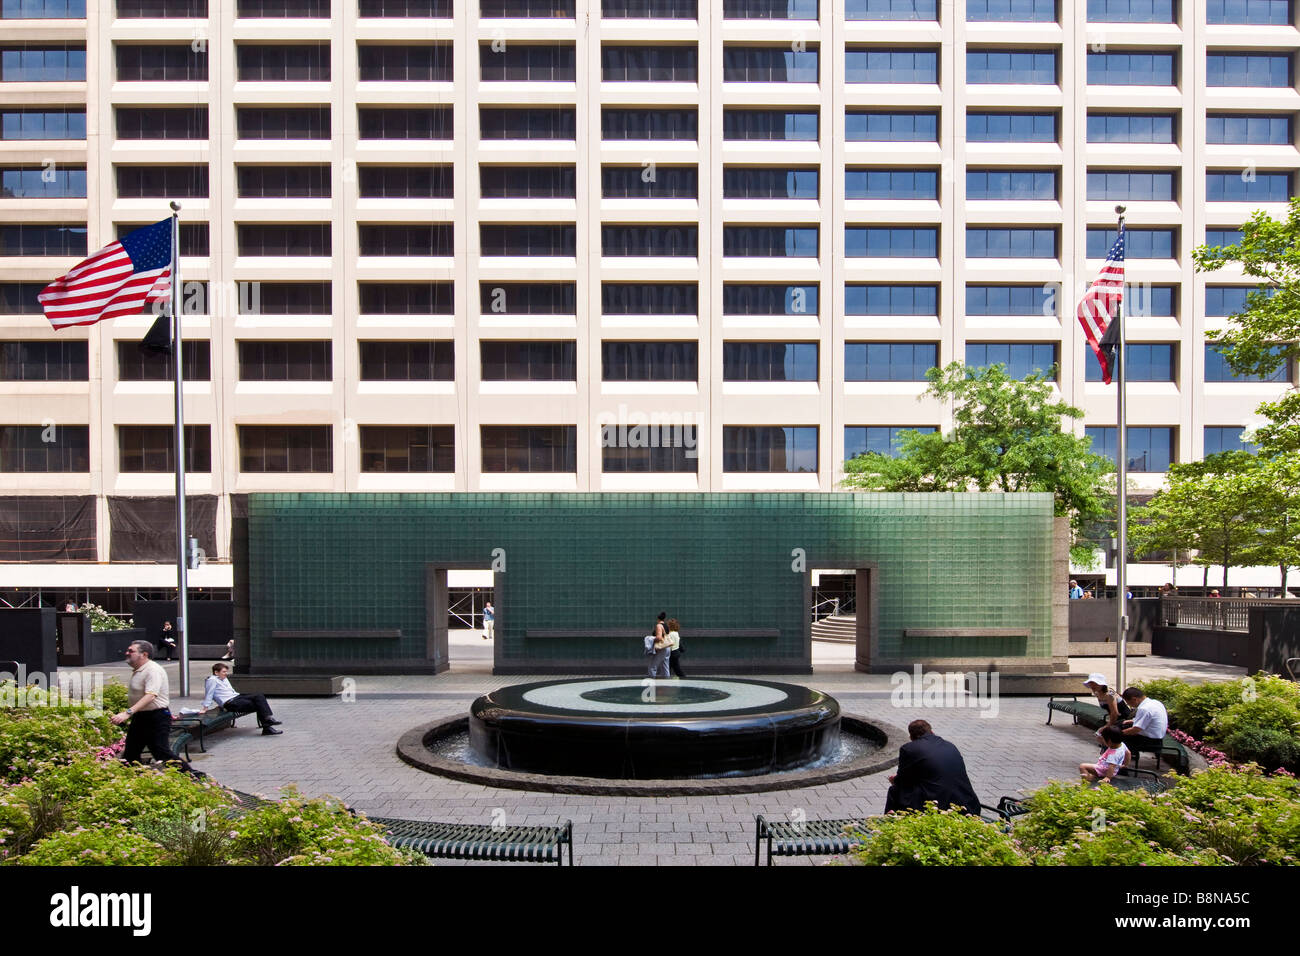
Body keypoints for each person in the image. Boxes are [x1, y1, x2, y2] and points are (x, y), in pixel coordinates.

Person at [110, 640, 192, 771]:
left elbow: (151, 695)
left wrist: (127, 713)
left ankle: (192, 775)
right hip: (141, 717)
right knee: (131, 753)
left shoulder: (153, 670)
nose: (127, 653)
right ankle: (130, 781)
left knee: (161, 751)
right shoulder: (139, 670)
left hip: (156, 717)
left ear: (144, 654)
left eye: (131, 651)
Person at [884, 719, 981, 816]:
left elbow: (902, 780)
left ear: (911, 737)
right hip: (968, 804)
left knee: (895, 791)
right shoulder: (950, 745)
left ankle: (890, 824)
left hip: (939, 806)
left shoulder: (909, 748)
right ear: (932, 732)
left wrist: (894, 780)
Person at [200, 662, 282, 735]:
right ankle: (267, 727)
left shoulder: (223, 679)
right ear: (216, 672)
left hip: (237, 697)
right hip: (230, 703)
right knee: (259, 705)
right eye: (224, 672)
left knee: (259, 696)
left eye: (226, 671)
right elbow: (209, 694)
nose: (226, 674)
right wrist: (205, 708)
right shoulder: (211, 680)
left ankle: (268, 719)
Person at [1120, 686, 1169, 763]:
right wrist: (1132, 721)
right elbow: (1149, 719)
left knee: (1116, 738)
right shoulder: (1155, 702)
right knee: (1124, 726)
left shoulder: (1144, 708)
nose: (1129, 705)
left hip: (1150, 741)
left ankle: (1121, 766)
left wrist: (1119, 733)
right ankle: (1129, 756)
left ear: (1134, 699)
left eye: (1128, 703)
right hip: (1158, 737)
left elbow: (1136, 730)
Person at [1082, 672, 1132, 737]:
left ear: (1102, 684)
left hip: (1124, 720)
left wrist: (1106, 726)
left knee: (1102, 734)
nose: (1092, 686)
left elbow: (1115, 714)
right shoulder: (1097, 693)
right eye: (1090, 683)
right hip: (1114, 719)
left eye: (1095, 683)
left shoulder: (1109, 695)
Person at [648, 611, 670, 679]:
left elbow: (659, 637)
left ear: (658, 619)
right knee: (665, 667)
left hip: (661, 647)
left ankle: (652, 685)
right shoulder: (666, 626)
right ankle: (667, 684)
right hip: (667, 647)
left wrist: (650, 639)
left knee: (652, 667)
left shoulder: (658, 625)